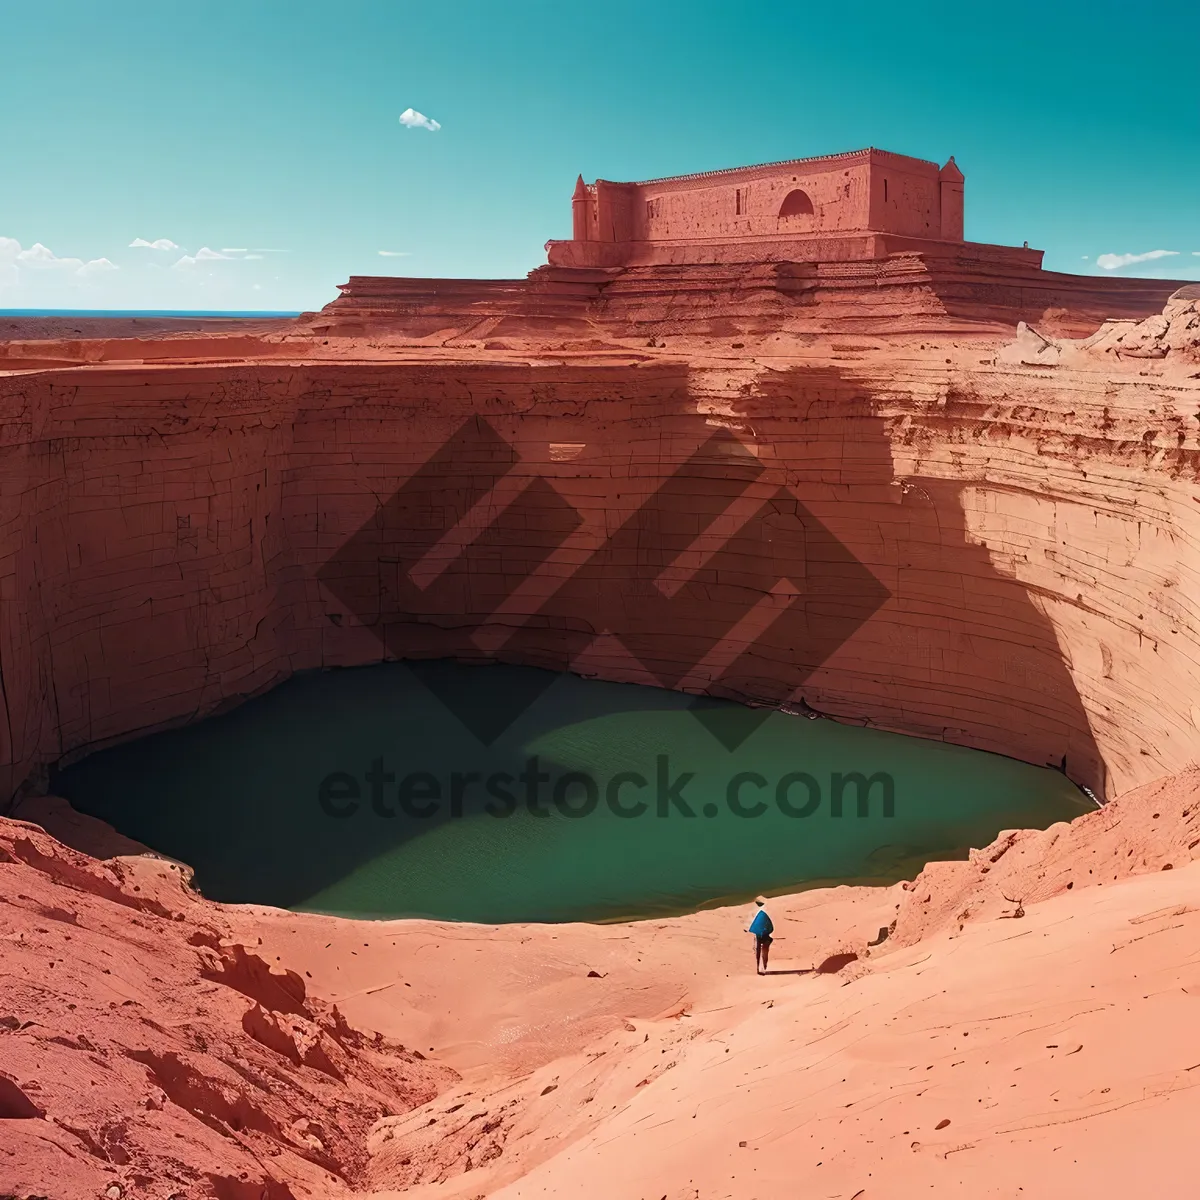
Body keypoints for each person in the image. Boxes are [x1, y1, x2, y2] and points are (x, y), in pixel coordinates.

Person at [746, 896, 774, 974]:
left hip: (758, 934)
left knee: (758, 951)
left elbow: (750, 923)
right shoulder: (766, 910)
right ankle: (764, 967)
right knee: (764, 951)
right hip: (765, 934)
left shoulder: (754, 911)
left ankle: (759, 968)